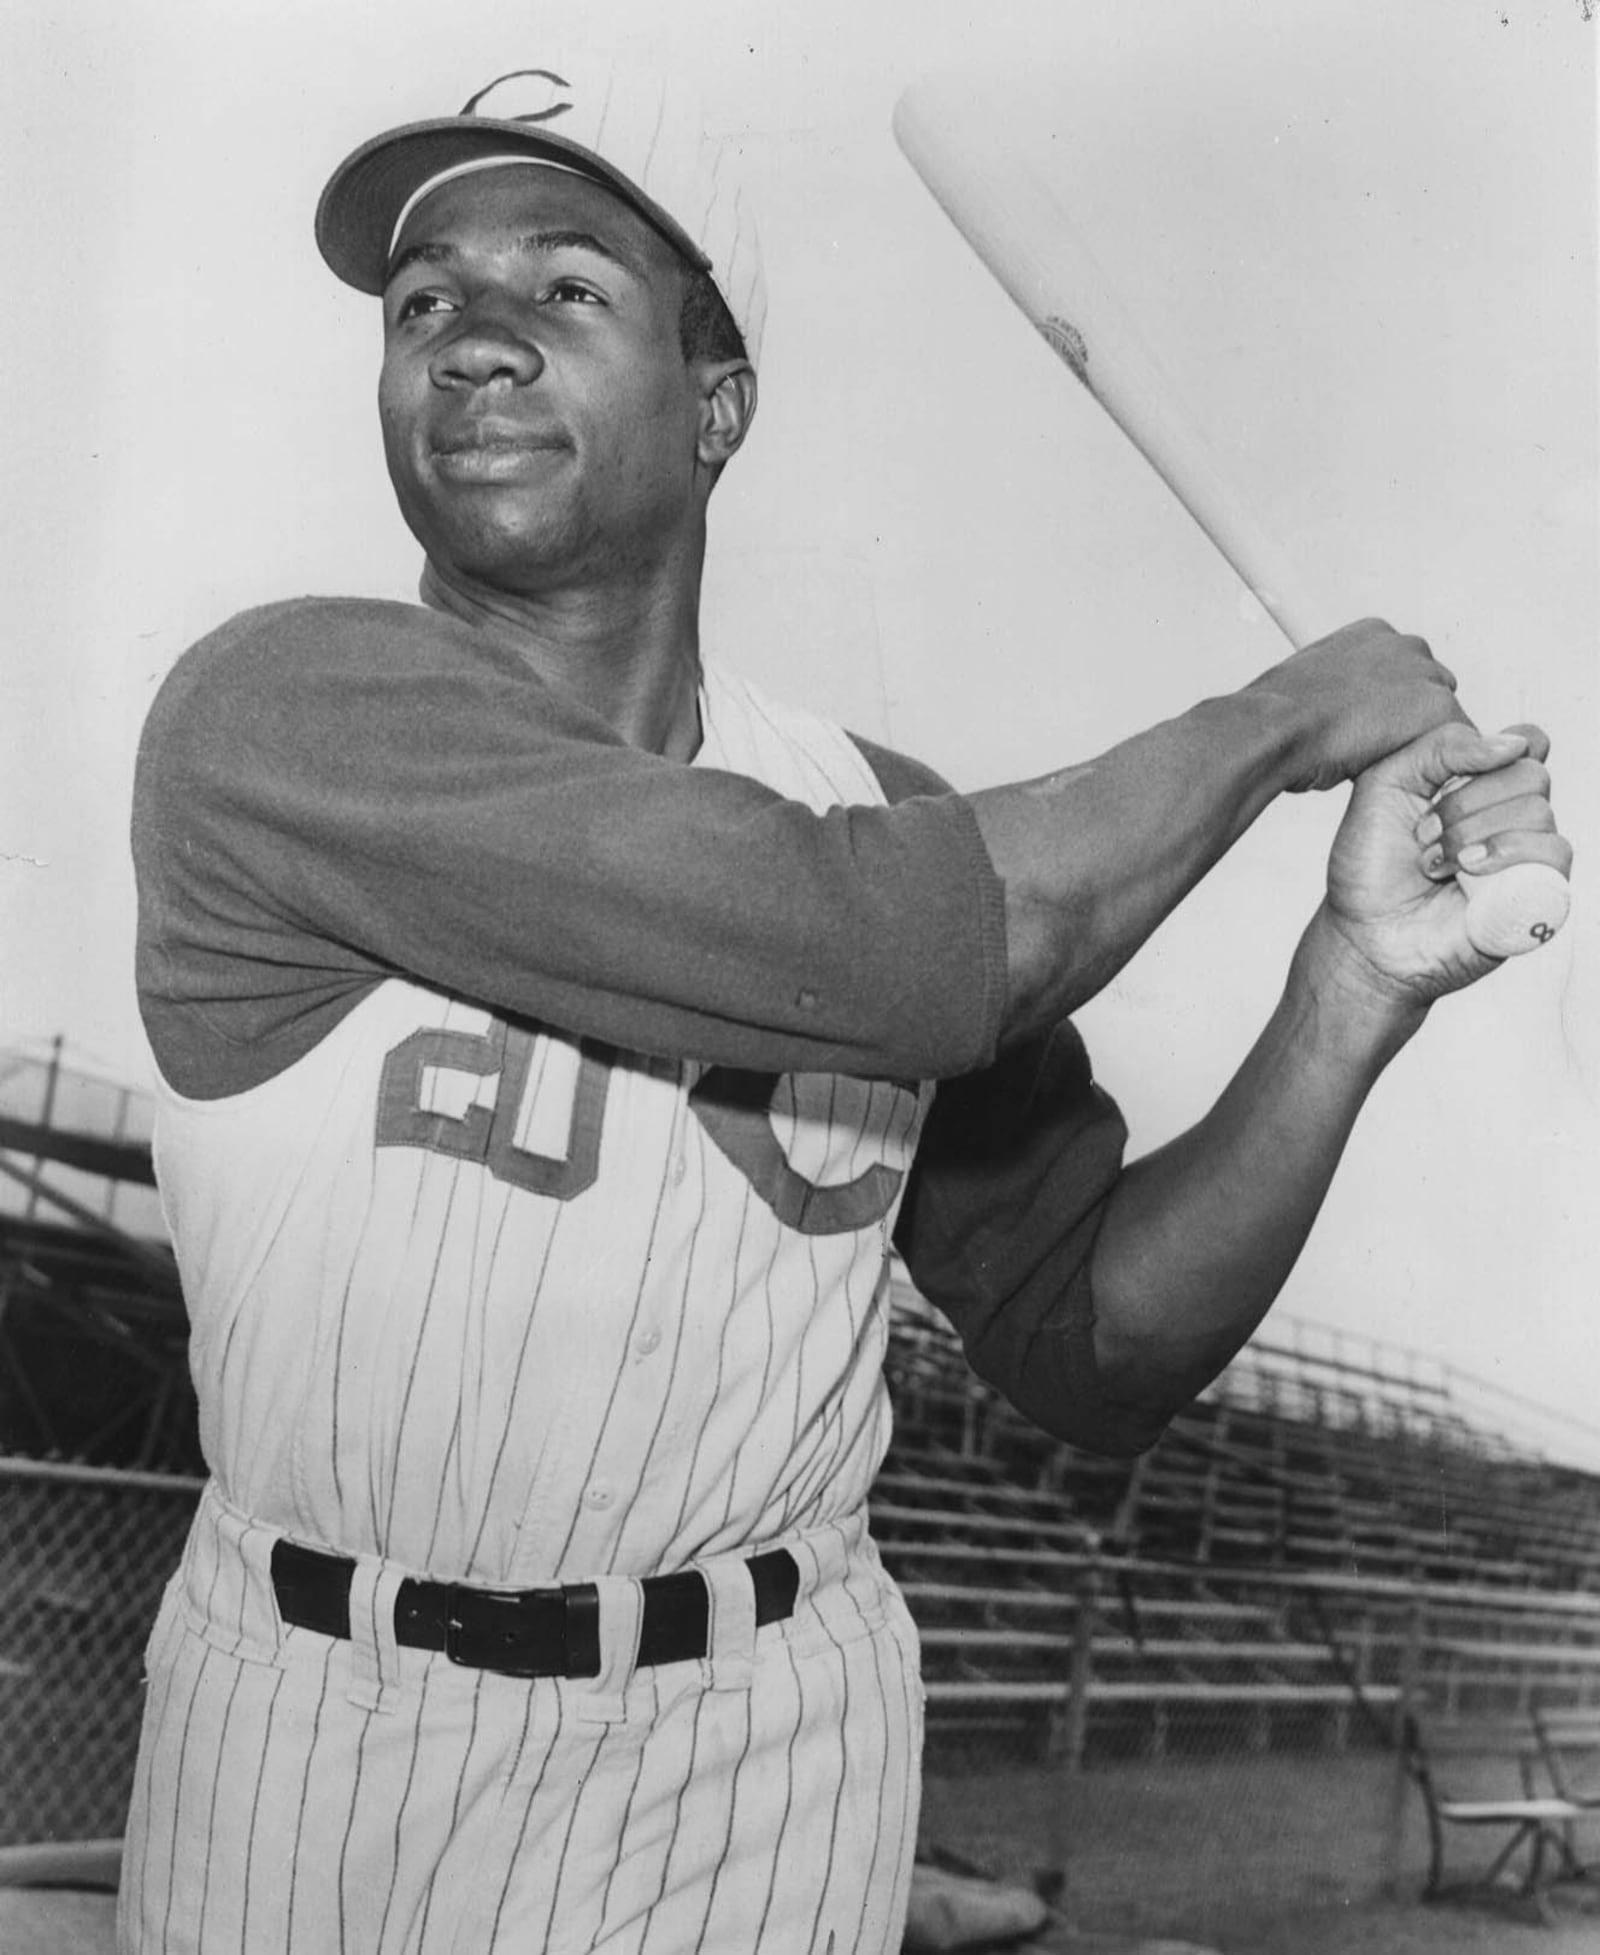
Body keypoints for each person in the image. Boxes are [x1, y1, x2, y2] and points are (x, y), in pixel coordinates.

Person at [117, 59, 1569, 1955]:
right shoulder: (280, 715)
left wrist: (1357, 980)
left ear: (717, 408)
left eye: (563, 289)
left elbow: (1093, 1344)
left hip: (757, 1754)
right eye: (421, 302)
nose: (469, 340)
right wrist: (1290, 713)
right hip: (318, 1730)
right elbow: (905, 952)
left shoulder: (869, 805)